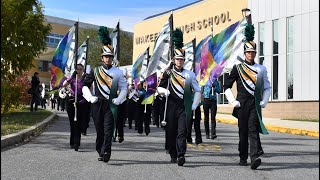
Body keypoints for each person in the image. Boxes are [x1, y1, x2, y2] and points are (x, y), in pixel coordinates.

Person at [82, 26, 127, 163]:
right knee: (100, 130)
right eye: (106, 56)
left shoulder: (118, 72)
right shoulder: (95, 71)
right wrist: (90, 97)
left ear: (112, 58)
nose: (108, 59)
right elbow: (85, 86)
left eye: (110, 57)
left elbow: (124, 88)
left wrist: (119, 99)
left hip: (111, 105)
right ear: (102, 58)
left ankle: (106, 151)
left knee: (108, 130)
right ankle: (100, 149)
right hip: (97, 103)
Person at [223, 40, 271, 170]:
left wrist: (265, 100)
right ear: (245, 53)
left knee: (253, 130)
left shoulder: (261, 69)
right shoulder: (237, 68)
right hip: (242, 104)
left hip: (254, 104)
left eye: (253, 52)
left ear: (255, 53)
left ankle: (254, 158)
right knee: (243, 132)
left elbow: (267, 87)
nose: (251, 54)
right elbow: (226, 86)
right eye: (248, 52)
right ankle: (243, 157)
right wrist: (233, 101)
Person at [157, 28, 201, 166]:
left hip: (183, 106)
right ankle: (173, 153)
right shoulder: (168, 73)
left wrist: (194, 104)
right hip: (170, 106)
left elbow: (198, 90)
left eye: (182, 59)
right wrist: (164, 92)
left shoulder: (190, 74)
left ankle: (181, 154)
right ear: (174, 60)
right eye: (177, 59)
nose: (179, 61)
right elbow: (159, 87)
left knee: (182, 131)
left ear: (184, 60)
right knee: (171, 132)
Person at [62, 64, 90, 151]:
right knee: (72, 123)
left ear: (83, 70)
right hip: (71, 101)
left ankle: (77, 142)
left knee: (79, 122)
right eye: (77, 69)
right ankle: (72, 142)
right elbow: (64, 84)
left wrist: (82, 101)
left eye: (80, 69)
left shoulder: (85, 79)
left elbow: (89, 92)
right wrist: (72, 77)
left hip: (81, 102)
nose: (79, 71)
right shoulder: (72, 78)